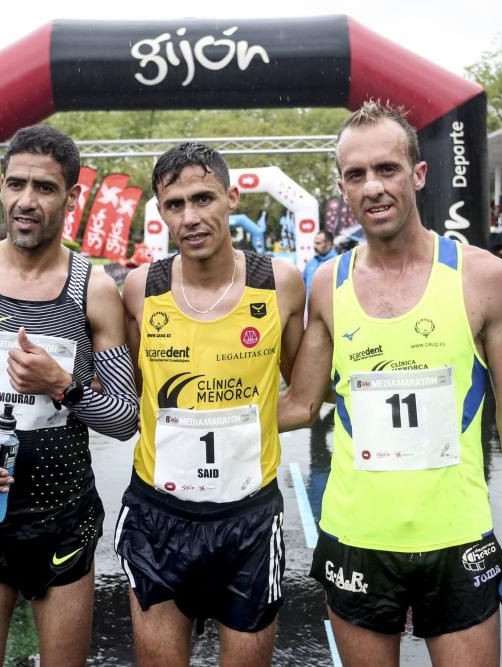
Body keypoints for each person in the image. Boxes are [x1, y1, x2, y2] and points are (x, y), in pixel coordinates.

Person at [278, 100, 502, 666]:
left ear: (418, 174)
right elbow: (300, 404)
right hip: (357, 538)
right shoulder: (330, 283)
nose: (373, 187)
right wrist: (178, 400)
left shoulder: (483, 278)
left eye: (387, 169)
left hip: (459, 540)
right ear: (342, 189)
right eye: (356, 175)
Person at [0, 124, 139, 667]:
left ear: (71, 196)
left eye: (44, 188)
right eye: (16, 184)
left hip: (63, 515)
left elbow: (124, 418)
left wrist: (60, 386)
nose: (26, 200)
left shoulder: (95, 289)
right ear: (2, 186)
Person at [114, 142, 306, 665]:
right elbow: (126, 397)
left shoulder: (280, 284)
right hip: (158, 515)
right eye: (175, 205)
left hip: (247, 517)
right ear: (160, 212)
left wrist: (243, 423)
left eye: (204, 199)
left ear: (231, 198)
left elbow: (306, 399)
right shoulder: (139, 289)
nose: (191, 217)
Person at [303, 229, 337, 295]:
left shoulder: (338, 263)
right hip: (309, 304)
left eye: (318, 243)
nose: (314, 246)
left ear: (329, 244)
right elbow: (302, 285)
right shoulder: (311, 263)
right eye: (314, 243)